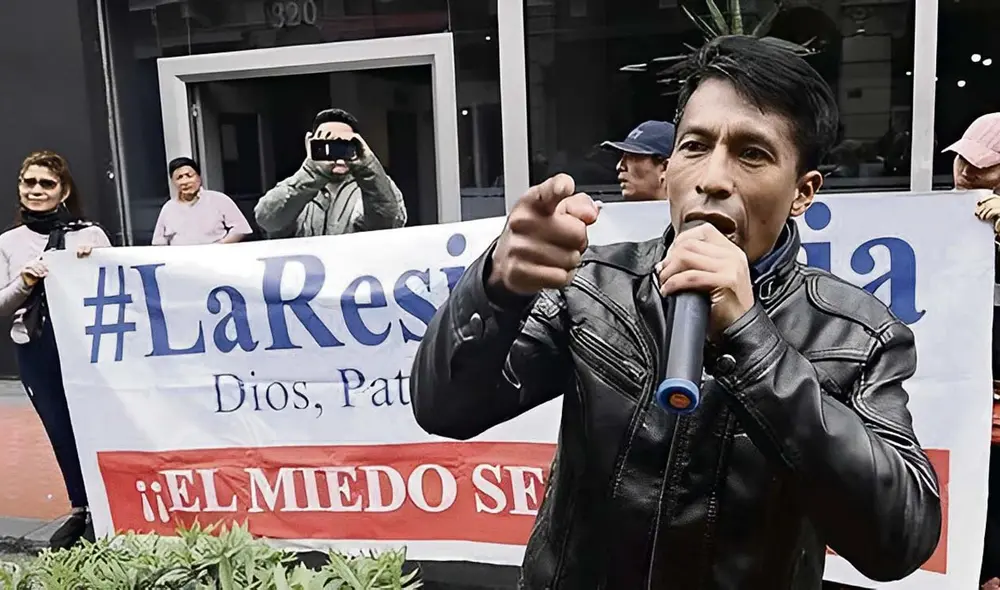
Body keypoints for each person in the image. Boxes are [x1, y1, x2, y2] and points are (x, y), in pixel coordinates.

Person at [409, 36, 940, 588]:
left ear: (803, 192)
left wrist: (751, 340)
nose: (712, 178)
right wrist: (497, 285)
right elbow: (445, 408)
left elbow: (898, 538)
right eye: (694, 146)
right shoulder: (594, 286)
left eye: (751, 154)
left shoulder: (858, 334)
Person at [0, 151, 111, 549]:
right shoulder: (8, 243)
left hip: (86, 349)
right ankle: (80, 508)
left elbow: (116, 289)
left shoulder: (91, 234)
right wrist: (25, 281)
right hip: (36, 350)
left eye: (46, 183)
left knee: (97, 426)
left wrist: (93, 263)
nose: (36, 190)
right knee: (61, 432)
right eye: (29, 182)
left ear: (63, 191)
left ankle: (109, 505)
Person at [943, 112, 1000, 589]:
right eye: (962, 159)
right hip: (964, 415)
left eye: (983, 166)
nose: (966, 172)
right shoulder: (948, 226)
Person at [253, 108, 406, 238]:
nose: (337, 154)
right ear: (310, 143)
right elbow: (267, 220)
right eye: (327, 145)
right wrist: (311, 172)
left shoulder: (376, 187)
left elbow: (387, 225)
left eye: (344, 144)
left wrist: (367, 167)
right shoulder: (295, 186)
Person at [151, 157, 253, 246]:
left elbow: (241, 228)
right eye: (179, 177)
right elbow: (158, 242)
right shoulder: (169, 208)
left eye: (189, 175)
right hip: (180, 264)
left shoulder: (219, 199)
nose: (185, 182)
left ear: (199, 177)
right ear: (173, 182)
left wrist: (219, 246)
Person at [600, 120, 675, 201]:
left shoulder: (685, 212)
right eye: (622, 156)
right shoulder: (610, 212)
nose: (619, 166)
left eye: (632, 157)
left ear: (664, 168)